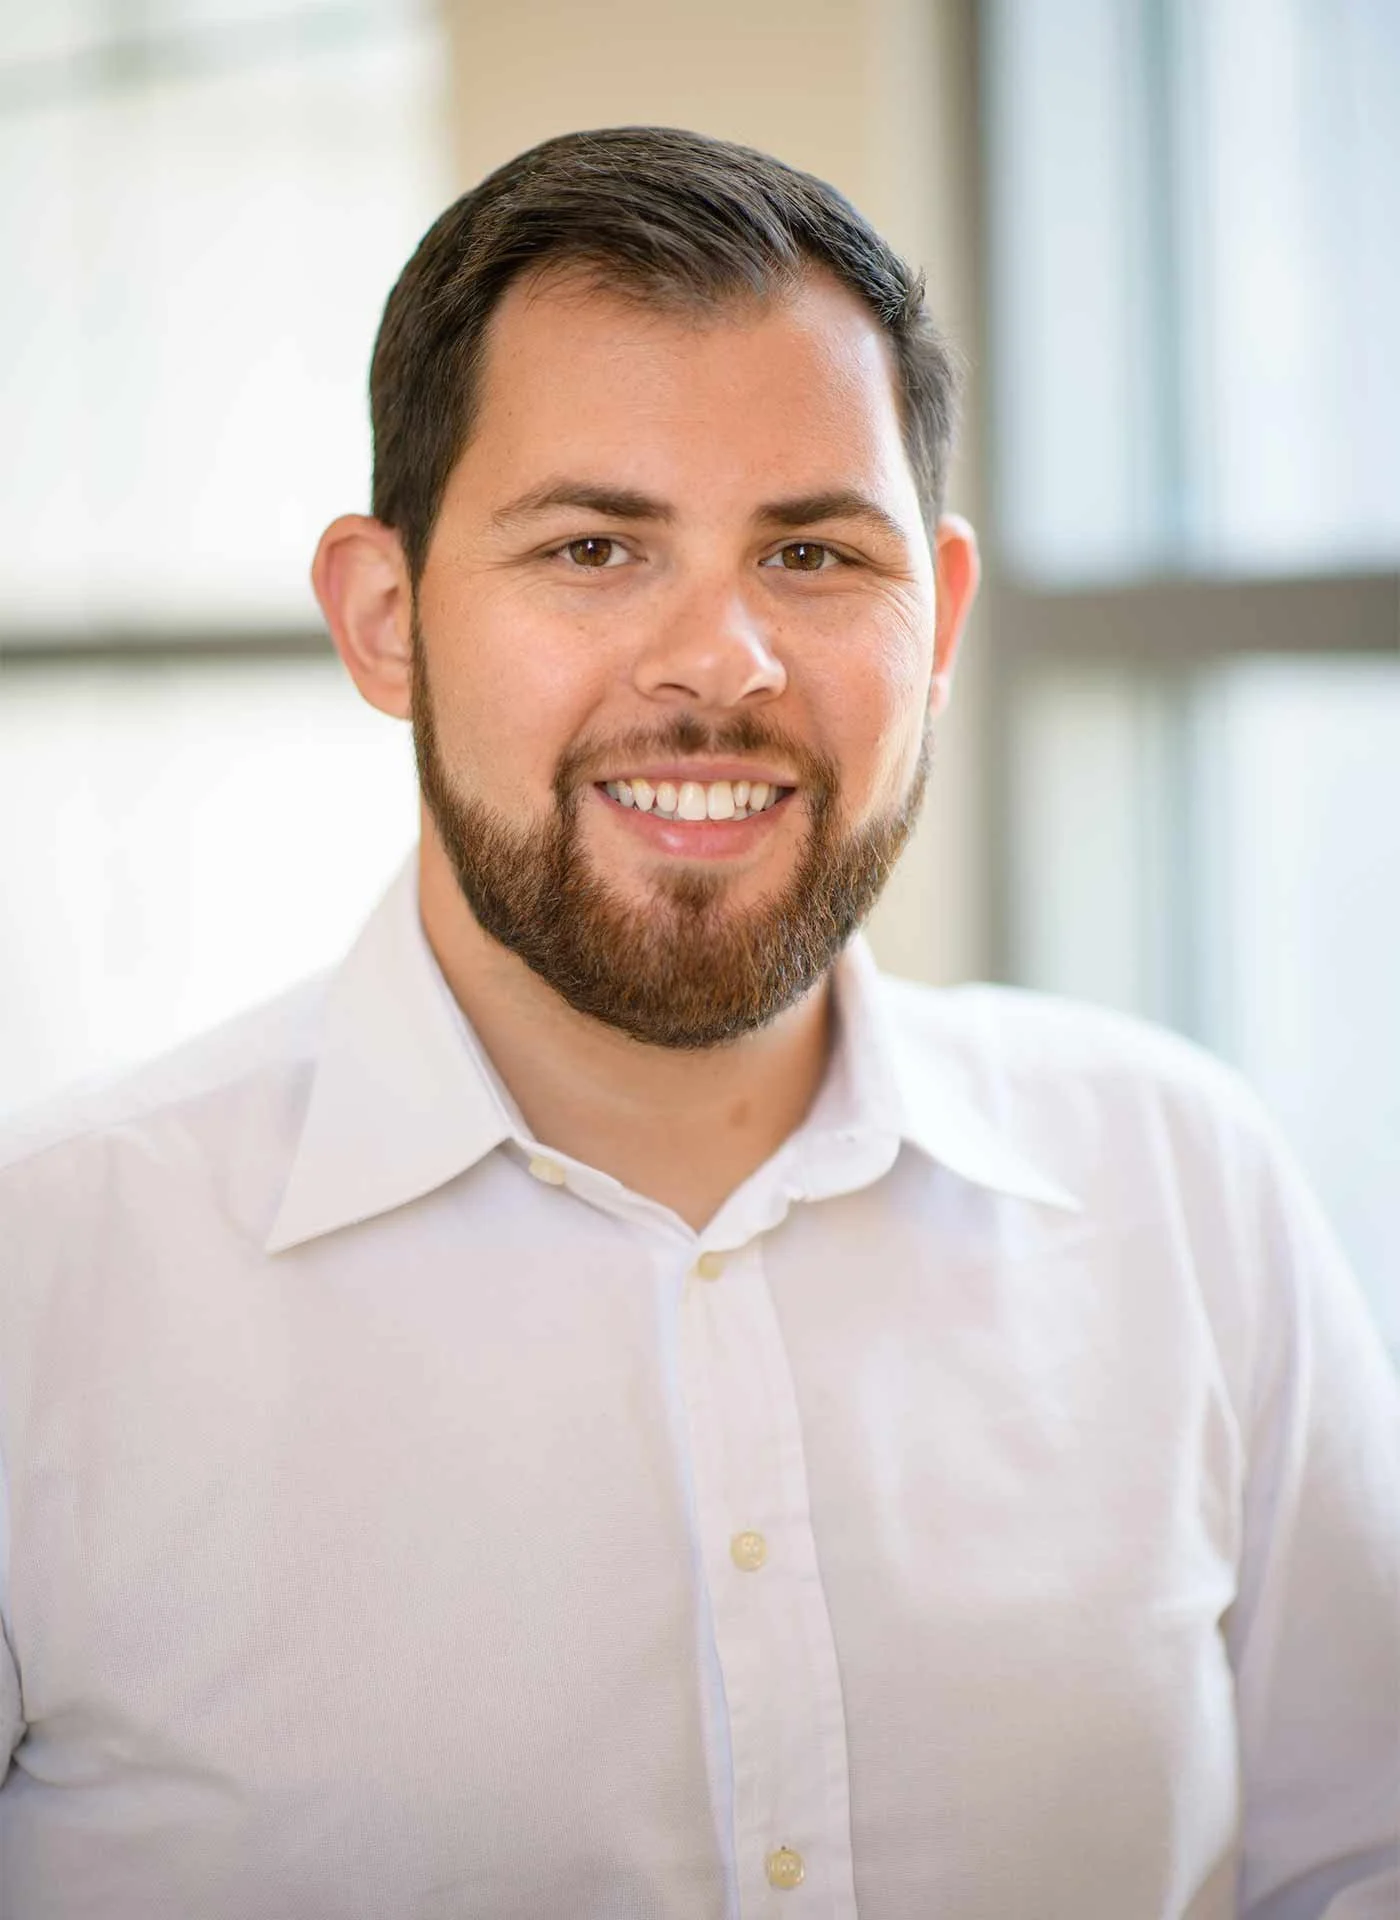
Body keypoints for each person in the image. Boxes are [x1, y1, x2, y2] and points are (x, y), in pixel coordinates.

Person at [0, 126, 1394, 1920]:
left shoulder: (1186, 1186)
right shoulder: (46, 1277)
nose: (720, 662)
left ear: (941, 614)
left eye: (814, 555)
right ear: (384, 618)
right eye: (594, 546)